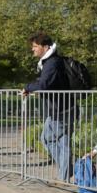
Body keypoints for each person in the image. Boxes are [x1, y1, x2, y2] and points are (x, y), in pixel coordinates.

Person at [22, 32, 74, 181]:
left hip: (60, 109)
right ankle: (65, 174)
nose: (33, 49)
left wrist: (27, 86)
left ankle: (67, 170)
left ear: (45, 47)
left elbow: (44, 85)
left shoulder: (51, 62)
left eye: (35, 46)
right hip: (63, 107)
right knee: (61, 142)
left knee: (47, 139)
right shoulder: (51, 62)